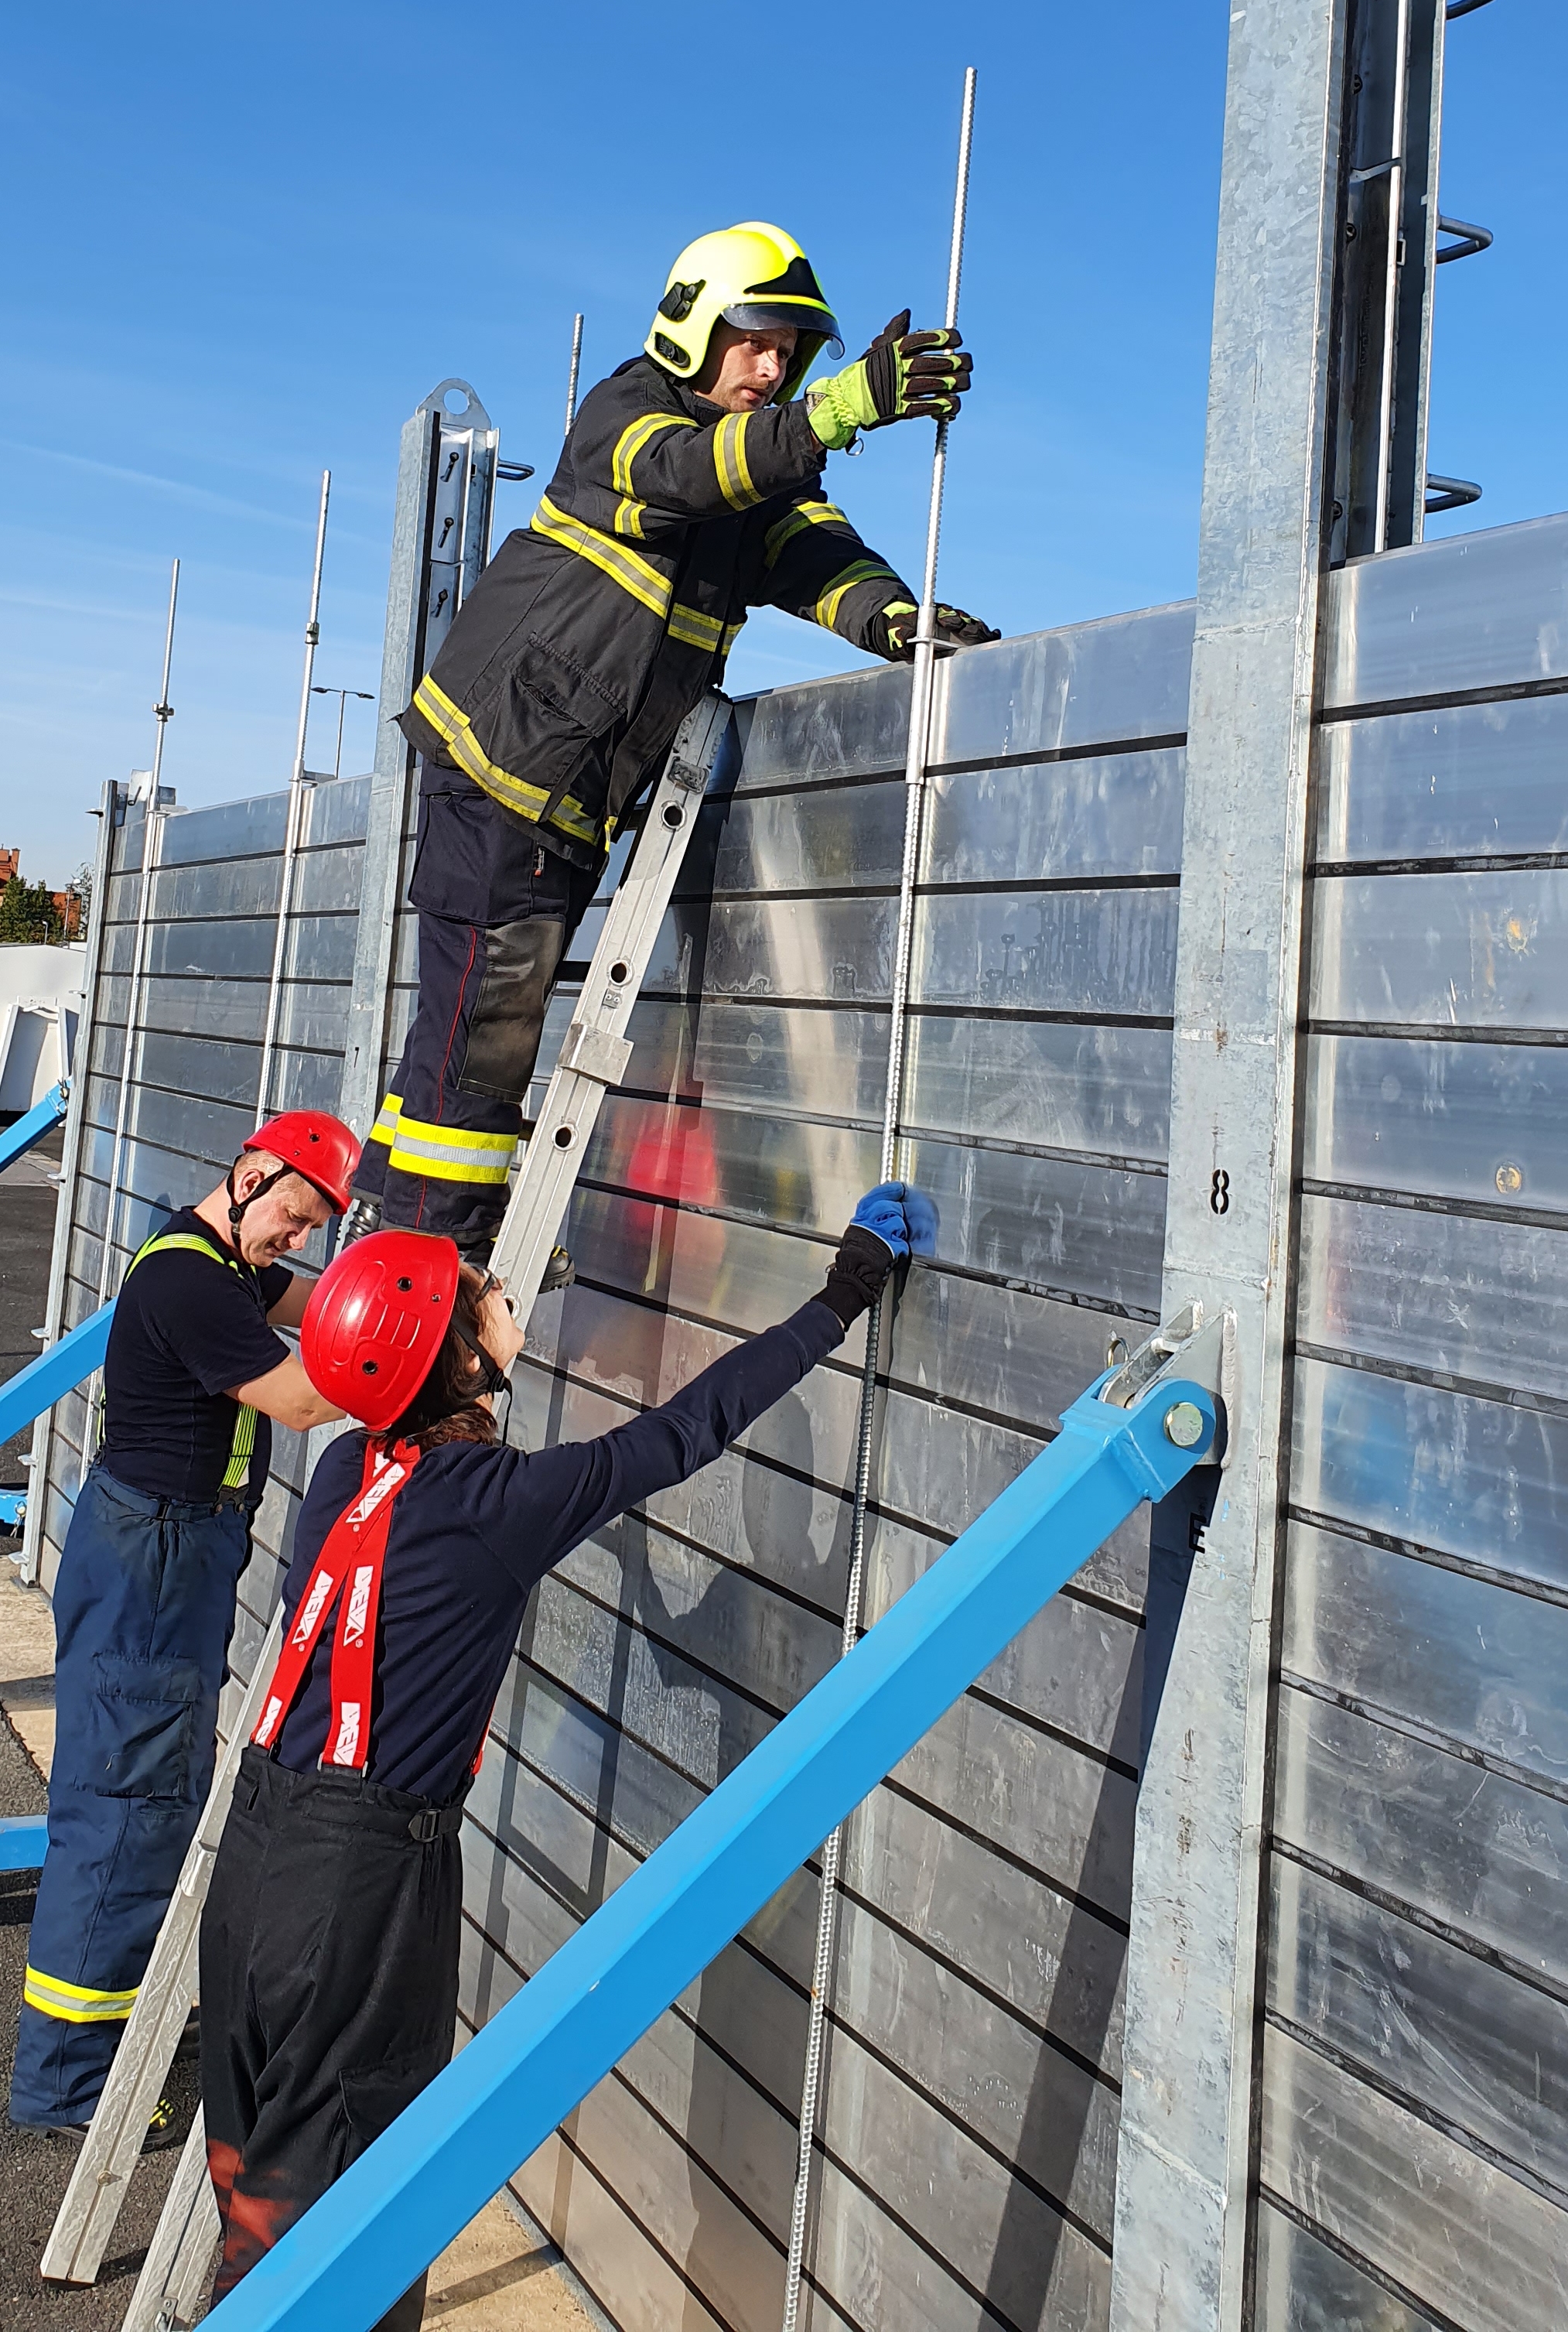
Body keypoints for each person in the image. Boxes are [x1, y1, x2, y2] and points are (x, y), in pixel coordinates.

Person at [197, 1183, 932, 2326]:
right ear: (454, 1365)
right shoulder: (502, 1502)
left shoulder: (346, 1470)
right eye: (483, 1301)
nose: (505, 1301)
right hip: (357, 1889)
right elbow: (692, 1427)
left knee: (261, 2201)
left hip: (253, 1859)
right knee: (353, 2215)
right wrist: (842, 1295)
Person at [346, 223, 999, 1261]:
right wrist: (839, 409)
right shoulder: (630, 414)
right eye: (756, 340)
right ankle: (434, 1266)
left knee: (463, 1033)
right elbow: (693, 474)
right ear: (695, 327)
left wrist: (890, 619)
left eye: (792, 354)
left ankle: (391, 1230)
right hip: (505, 772)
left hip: (561, 797)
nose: (775, 368)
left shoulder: (754, 473)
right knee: (483, 1042)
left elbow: (811, 548)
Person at [9, 1112, 360, 2135]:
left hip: (170, 1550)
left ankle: (88, 2057)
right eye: (291, 1217)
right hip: (153, 1561)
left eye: (307, 1230)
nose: (293, 1243)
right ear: (250, 1173)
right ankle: (70, 2088)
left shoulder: (224, 1253)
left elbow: (321, 1300)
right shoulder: (194, 1280)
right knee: (125, 1809)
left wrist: (437, 1290)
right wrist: (418, 1353)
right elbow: (298, 1400)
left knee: (145, 1794)